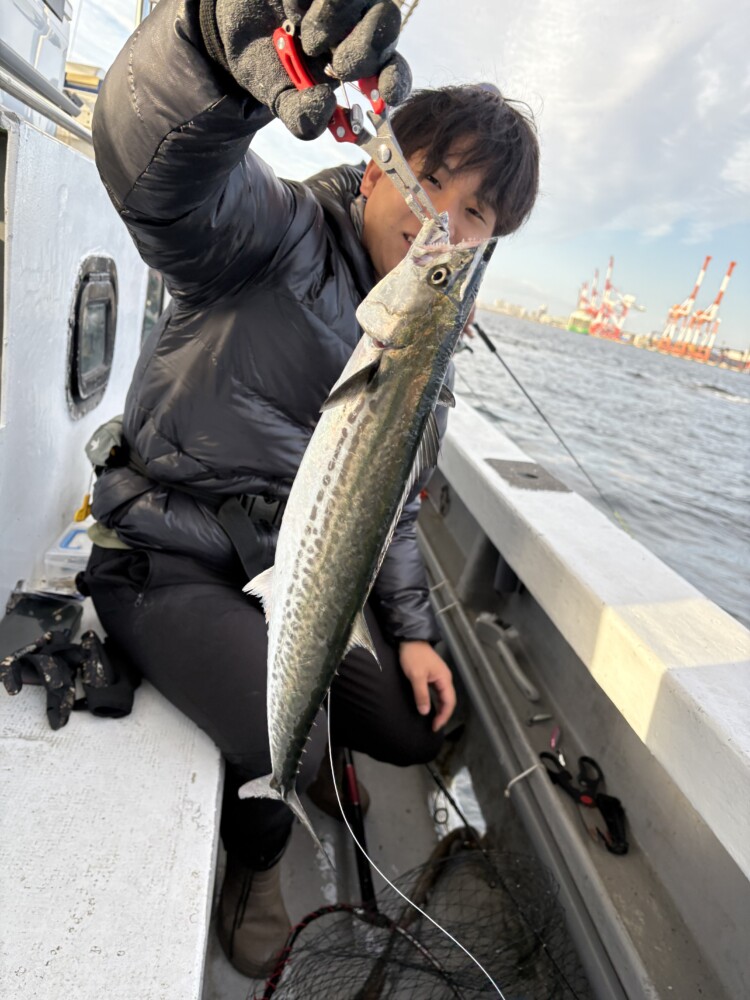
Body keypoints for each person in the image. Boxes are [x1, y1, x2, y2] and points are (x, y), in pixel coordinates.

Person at [82, 0, 539, 979]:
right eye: (429, 182)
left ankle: (316, 743)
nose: (440, 227)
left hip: (294, 576)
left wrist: (412, 631)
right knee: (282, 720)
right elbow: (151, 173)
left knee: (424, 724)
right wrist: (208, 45)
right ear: (379, 162)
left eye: (474, 215)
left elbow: (393, 502)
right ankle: (257, 853)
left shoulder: (429, 341)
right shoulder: (274, 233)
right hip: (168, 553)